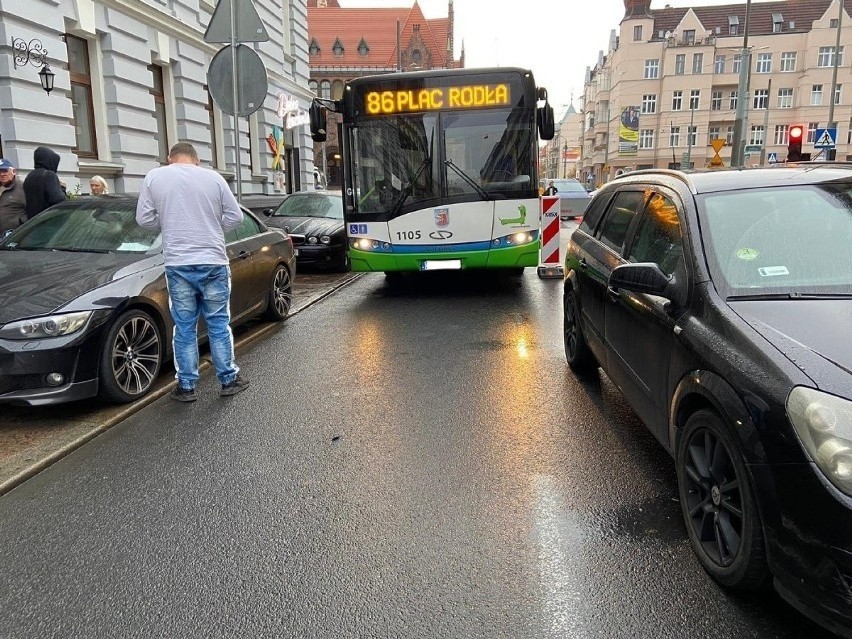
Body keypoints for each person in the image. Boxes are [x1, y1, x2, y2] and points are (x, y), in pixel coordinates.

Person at [136, 141, 248, 403]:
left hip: (178, 264)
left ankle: (186, 386)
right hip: (213, 261)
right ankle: (228, 379)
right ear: (196, 160)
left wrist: (167, 222)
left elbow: (144, 219)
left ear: (169, 158)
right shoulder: (213, 177)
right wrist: (212, 224)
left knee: (184, 328)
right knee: (218, 324)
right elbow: (236, 217)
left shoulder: (155, 177)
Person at [22, 146, 65, 219]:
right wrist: (63, 189)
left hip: (33, 221)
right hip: (48, 220)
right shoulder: (49, 175)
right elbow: (57, 199)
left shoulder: (30, 176)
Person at [0, 159, 27, 235]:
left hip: (16, 237)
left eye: (5, 171)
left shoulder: (23, 188)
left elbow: (33, 211)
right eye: (0, 171)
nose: (2, 174)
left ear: (13, 171)